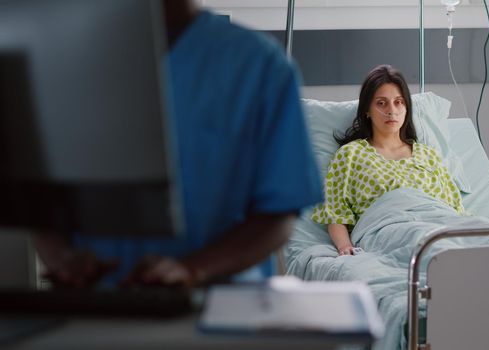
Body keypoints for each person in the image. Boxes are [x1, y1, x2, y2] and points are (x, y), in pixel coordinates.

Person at [35, 0, 323, 288]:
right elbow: (42, 205)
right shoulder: (63, 60)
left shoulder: (260, 66)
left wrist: (192, 269)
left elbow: (279, 214)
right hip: (96, 303)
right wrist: (64, 259)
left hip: (217, 306)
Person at [311, 65, 464, 256]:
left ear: (407, 108)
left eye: (399, 102)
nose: (392, 111)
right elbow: (335, 214)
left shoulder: (429, 155)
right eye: (381, 103)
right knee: (436, 251)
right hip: (389, 232)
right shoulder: (350, 155)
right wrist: (344, 248)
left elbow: (455, 210)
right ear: (367, 110)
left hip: (440, 225)